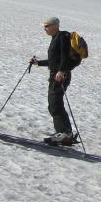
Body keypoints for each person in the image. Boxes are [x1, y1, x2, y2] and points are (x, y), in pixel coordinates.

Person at [29, 16, 77, 145]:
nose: (44, 28)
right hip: (57, 74)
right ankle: (65, 134)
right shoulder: (56, 38)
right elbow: (54, 61)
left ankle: (65, 134)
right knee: (53, 104)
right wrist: (38, 63)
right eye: (44, 26)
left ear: (55, 25)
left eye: (47, 26)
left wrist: (61, 71)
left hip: (60, 75)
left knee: (55, 103)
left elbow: (64, 57)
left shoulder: (61, 37)